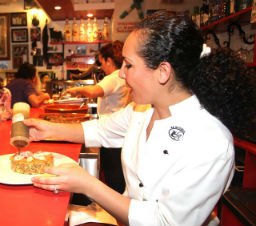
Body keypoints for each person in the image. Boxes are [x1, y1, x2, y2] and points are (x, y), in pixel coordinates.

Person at [25, 11, 256, 225]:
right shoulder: (142, 109)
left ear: (163, 72)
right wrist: (47, 129)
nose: (121, 74)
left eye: (128, 65)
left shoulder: (211, 141)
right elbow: (101, 129)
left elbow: (165, 221)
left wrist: (87, 184)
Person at [65, 41, 131, 194]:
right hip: (119, 131)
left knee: (113, 177)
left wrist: (76, 90)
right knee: (118, 176)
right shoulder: (122, 77)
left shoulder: (114, 77)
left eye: (102, 62)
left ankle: (115, 210)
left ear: (109, 60)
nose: (102, 67)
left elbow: (93, 91)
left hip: (111, 130)